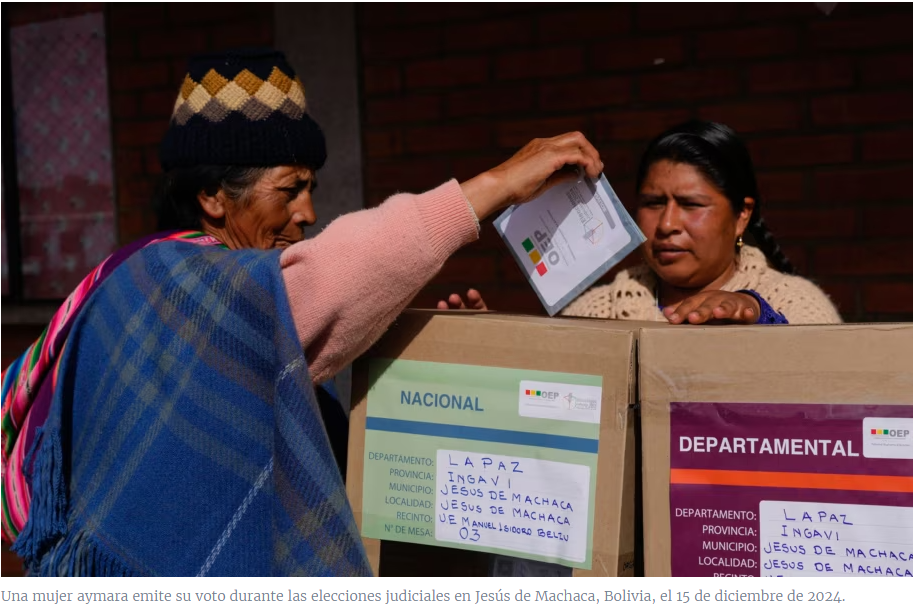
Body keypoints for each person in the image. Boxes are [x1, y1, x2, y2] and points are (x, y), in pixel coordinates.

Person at [0, 49, 604, 577]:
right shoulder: (163, 284)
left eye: (311, 188)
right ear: (213, 196)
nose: (308, 212)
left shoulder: (193, 280)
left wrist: (432, 346)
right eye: (289, 190)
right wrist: (497, 184)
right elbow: (334, 281)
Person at [441, 120, 841, 325]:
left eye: (690, 204)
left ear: (741, 216)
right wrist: (487, 346)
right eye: (652, 203)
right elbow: (545, 409)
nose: (666, 224)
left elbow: (829, 405)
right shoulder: (599, 310)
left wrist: (761, 316)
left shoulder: (793, 302)